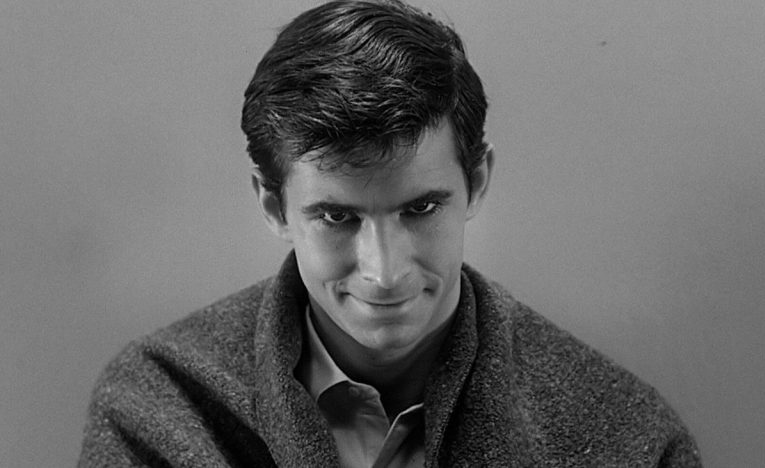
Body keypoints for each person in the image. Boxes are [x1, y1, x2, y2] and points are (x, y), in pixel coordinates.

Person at [79, 1, 702, 466]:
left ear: (476, 182)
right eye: (336, 217)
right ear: (273, 205)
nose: (384, 272)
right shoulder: (159, 408)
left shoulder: (628, 439)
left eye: (421, 208)